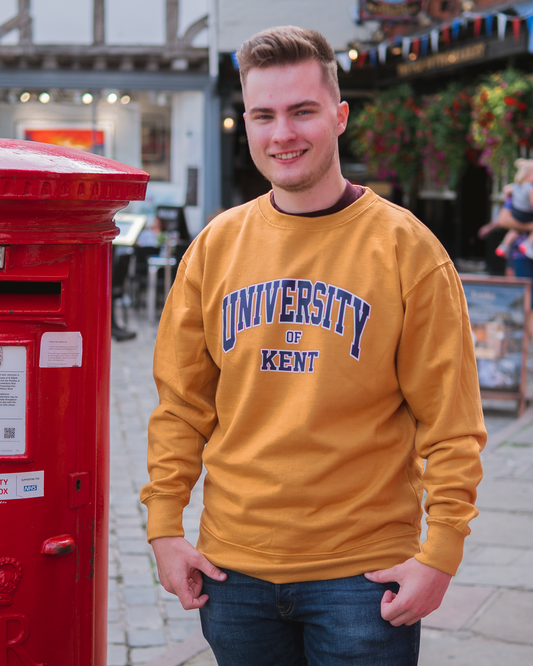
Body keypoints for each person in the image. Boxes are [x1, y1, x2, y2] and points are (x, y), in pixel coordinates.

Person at [141, 26, 486, 665]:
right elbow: (181, 407)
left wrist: (441, 553)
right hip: (233, 572)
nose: (282, 134)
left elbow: (452, 422)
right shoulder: (216, 248)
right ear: (244, 121)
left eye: (302, 111)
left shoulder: (406, 249)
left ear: (339, 115)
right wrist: (164, 527)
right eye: (263, 115)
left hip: (362, 577)